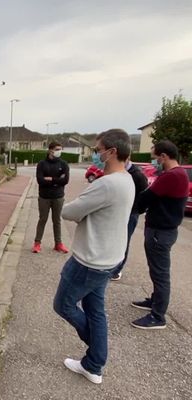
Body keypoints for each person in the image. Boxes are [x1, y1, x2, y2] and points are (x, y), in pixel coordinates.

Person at [53, 129, 134, 384]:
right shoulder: (126, 179)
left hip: (90, 260)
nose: (96, 155)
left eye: (98, 150)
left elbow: (69, 211)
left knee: (63, 304)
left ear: (112, 152)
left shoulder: (107, 184)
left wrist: (82, 201)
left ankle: (98, 353)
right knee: (95, 309)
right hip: (109, 259)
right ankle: (94, 365)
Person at [130, 140, 188, 330]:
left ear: (164, 156)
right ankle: (155, 301)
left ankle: (158, 316)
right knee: (157, 270)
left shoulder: (171, 176)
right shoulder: (179, 173)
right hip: (163, 230)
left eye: (155, 157)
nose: (154, 161)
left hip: (160, 231)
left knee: (160, 273)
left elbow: (147, 197)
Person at [110, 158, 148, 281]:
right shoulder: (117, 172)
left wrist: (136, 210)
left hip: (130, 214)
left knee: (123, 242)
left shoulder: (137, 176)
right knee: (114, 239)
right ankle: (110, 266)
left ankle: (116, 270)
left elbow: (144, 197)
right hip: (117, 212)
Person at [32, 142, 70, 254]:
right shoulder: (42, 164)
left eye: (60, 149)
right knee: (42, 219)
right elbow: (40, 180)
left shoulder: (63, 164)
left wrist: (51, 179)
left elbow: (65, 180)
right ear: (50, 150)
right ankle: (37, 243)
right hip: (44, 197)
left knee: (57, 220)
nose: (59, 151)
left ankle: (58, 244)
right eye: (57, 149)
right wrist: (57, 180)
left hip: (58, 197)